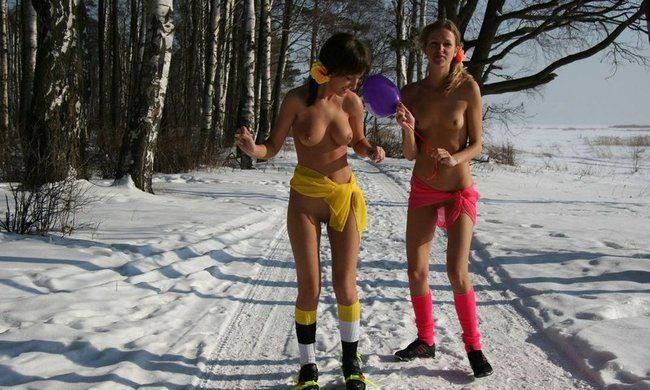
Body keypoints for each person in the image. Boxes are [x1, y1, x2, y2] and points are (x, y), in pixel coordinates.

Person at [236, 32, 385, 390]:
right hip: (305, 199)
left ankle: (352, 363)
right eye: (349, 75)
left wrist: (370, 151)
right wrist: (251, 148)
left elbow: (359, 141)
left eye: (359, 77)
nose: (354, 83)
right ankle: (308, 367)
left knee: (345, 285)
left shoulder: (352, 103)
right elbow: (271, 147)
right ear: (328, 69)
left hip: (343, 196)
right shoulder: (297, 101)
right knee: (310, 287)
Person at [393, 19, 493, 378]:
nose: (440, 49)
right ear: (424, 48)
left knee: (456, 271)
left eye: (446, 44)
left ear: (455, 49)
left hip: (457, 190)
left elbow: (478, 145)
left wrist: (456, 157)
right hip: (423, 187)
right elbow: (408, 153)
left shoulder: (468, 88)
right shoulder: (411, 93)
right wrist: (406, 128)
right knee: (417, 270)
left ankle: (473, 346)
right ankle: (425, 339)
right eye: (433, 43)